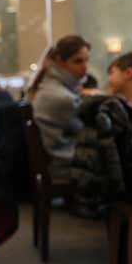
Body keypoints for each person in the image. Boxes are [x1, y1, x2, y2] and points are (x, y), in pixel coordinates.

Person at [31, 36, 91, 168]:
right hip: (62, 161)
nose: (85, 67)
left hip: (58, 157)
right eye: (78, 61)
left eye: (87, 60)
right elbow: (85, 131)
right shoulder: (61, 97)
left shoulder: (52, 87)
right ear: (60, 61)